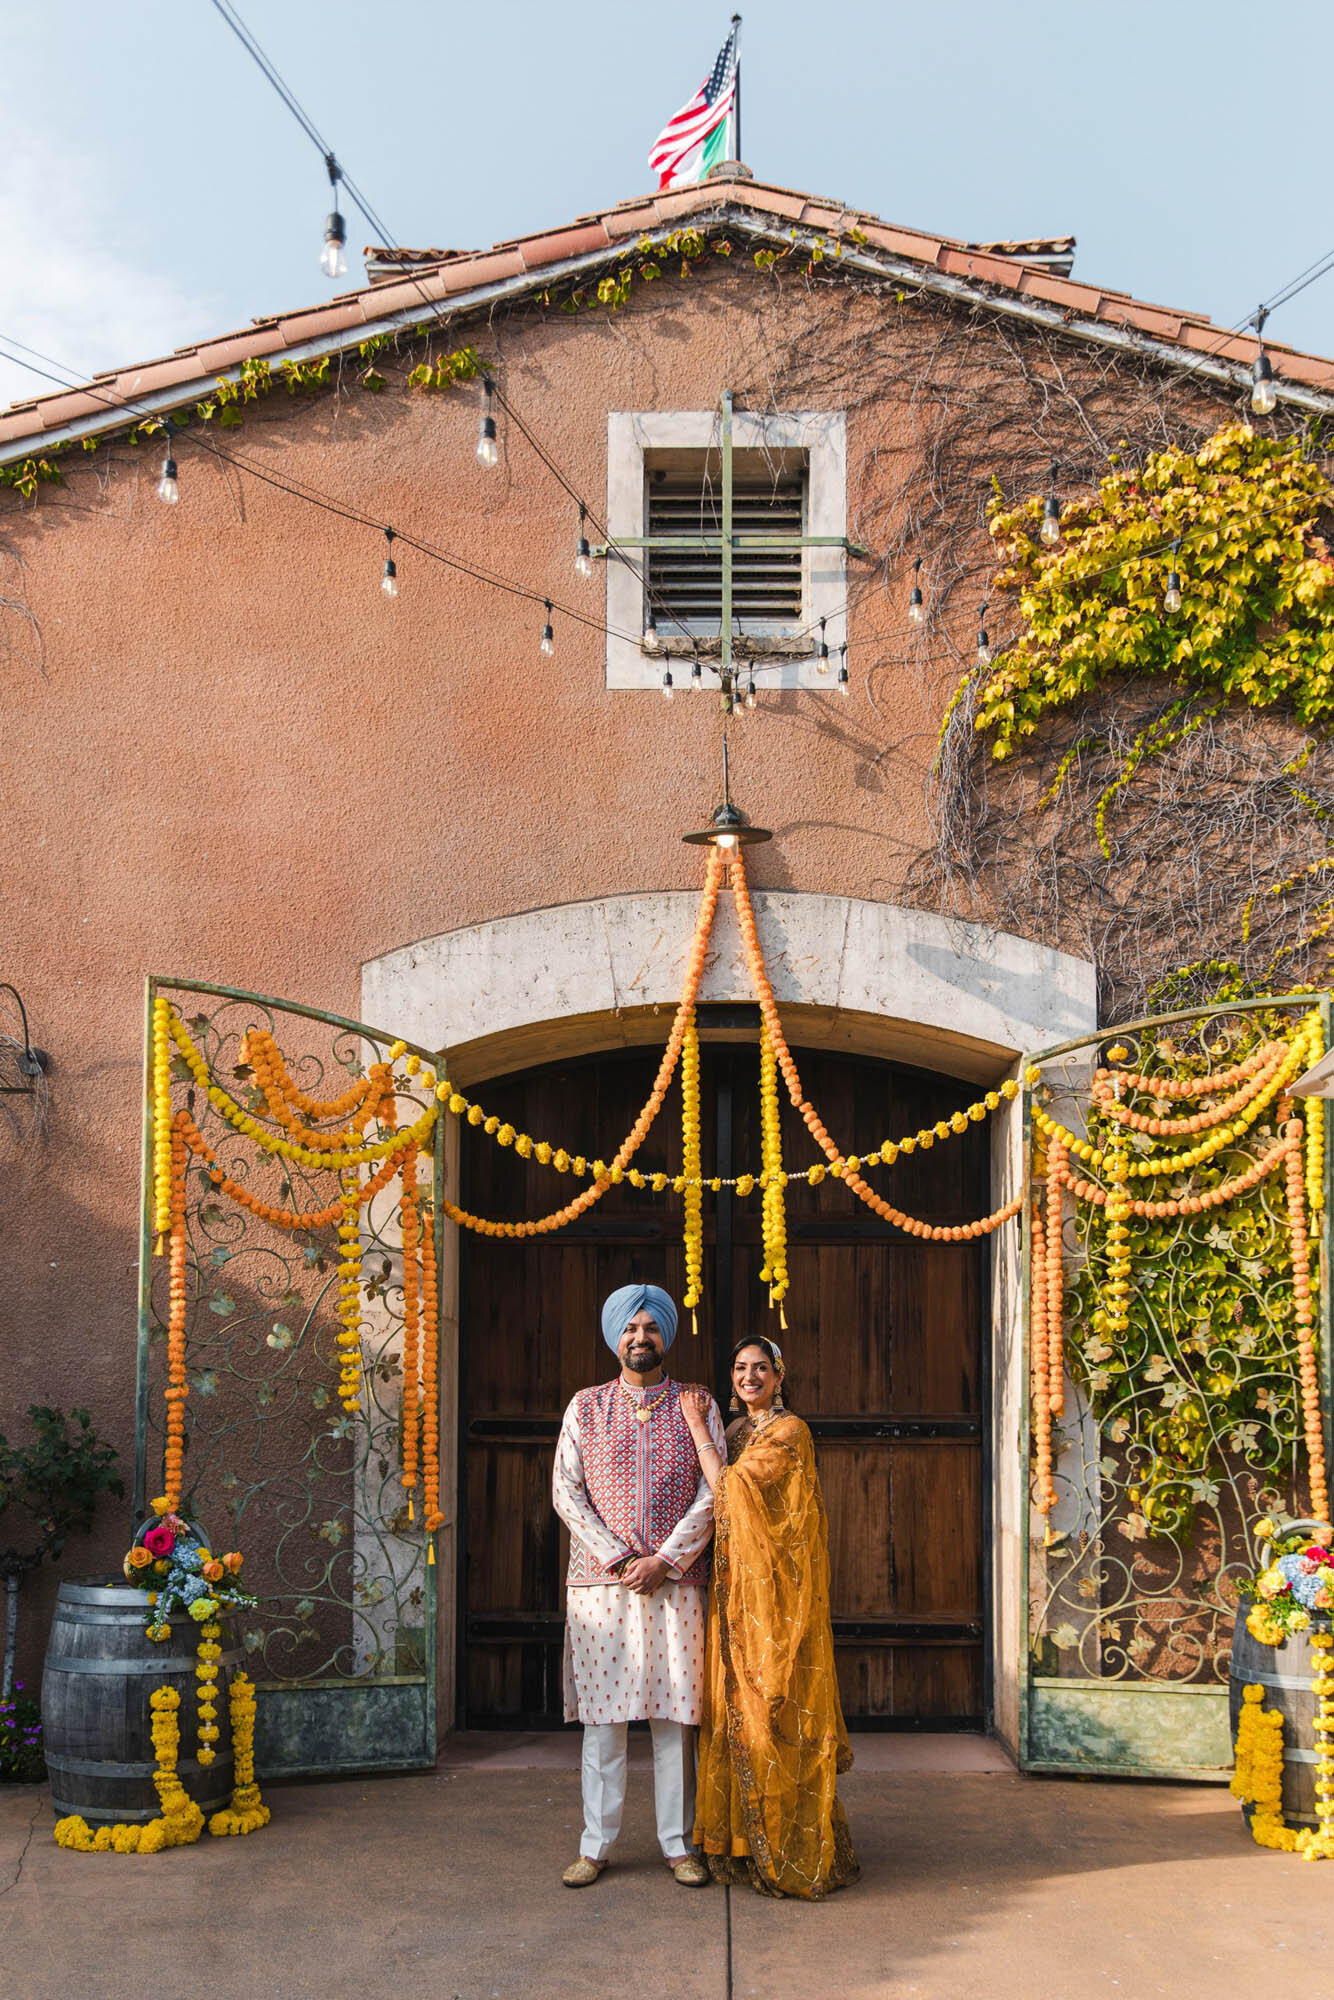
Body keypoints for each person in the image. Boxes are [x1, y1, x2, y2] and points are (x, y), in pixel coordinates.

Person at [552, 1281, 727, 1888]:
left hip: (676, 1586)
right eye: (630, 1329)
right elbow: (567, 1494)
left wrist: (666, 1560)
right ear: (614, 1337)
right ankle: (595, 1845)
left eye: (651, 1329)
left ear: (666, 1337)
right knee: (605, 1724)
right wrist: (623, 1558)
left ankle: (679, 1846)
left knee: (675, 1720)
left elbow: (716, 1491)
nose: (640, 1338)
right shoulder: (585, 1406)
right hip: (604, 1589)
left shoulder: (698, 1404)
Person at [681, 1335, 860, 1899]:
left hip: (779, 1601)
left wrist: (697, 1430)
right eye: (739, 1368)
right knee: (731, 1710)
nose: (748, 1377)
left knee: (773, 1707)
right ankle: (735, 1844)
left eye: (761, 1368)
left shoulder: (789, 1431)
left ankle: (788, 1848)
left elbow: (728, 1489)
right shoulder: (737, 1433)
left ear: (780, 1377)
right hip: (734, 1591)